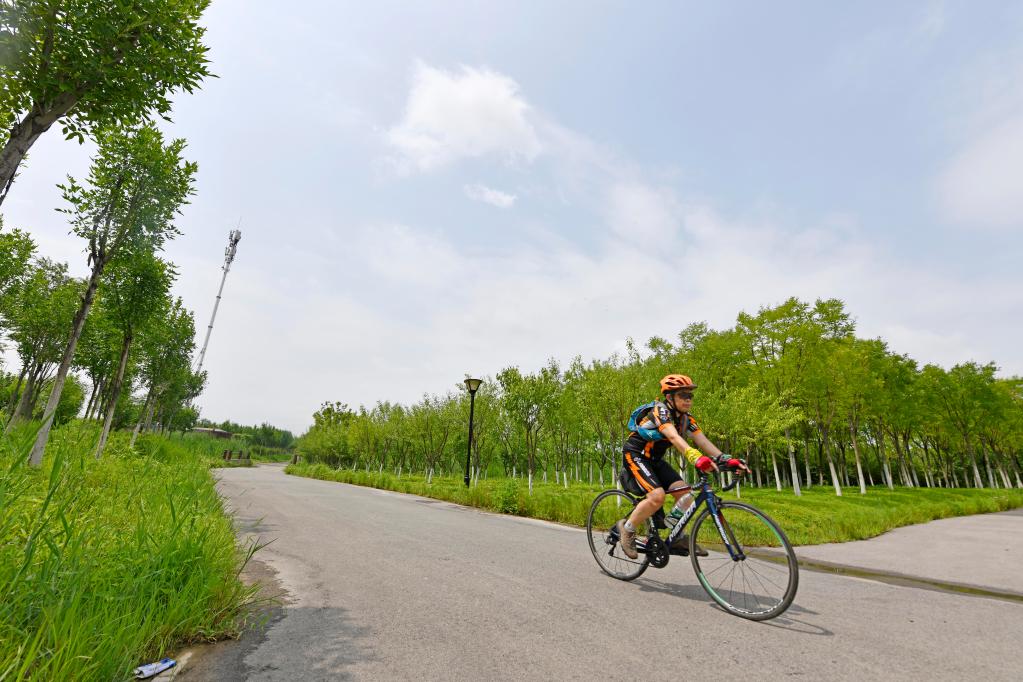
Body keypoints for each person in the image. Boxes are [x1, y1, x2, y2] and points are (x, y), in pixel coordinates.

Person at [617, 374, 749, 559]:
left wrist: (726, 459)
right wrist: (695, 457)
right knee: (657, 497)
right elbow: (673, 437)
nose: (688, 400)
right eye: (683, 395)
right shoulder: (660, 411)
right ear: (669, 397)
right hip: (636, 455)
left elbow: (703, 441)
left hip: (655, 460)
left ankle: (676, 536)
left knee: (685, 494)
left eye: (690, 396)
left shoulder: (686, 419)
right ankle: (628, 529)